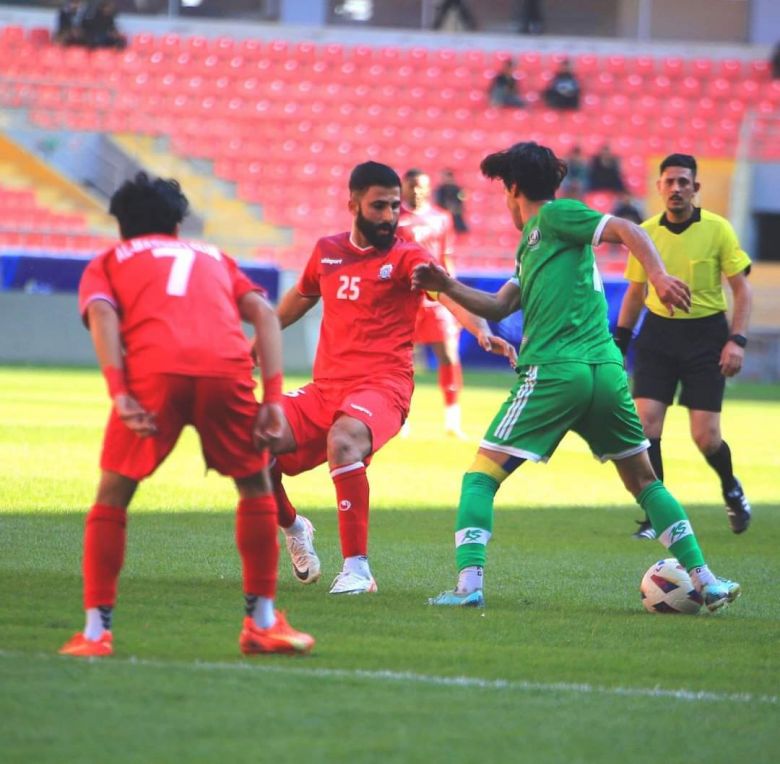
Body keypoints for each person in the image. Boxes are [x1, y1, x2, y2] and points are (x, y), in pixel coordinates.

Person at [412, 141, 741, 613]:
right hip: (604, 372)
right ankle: (705, 580)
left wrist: (658, 276)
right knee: (644, 482)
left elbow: (626, 228)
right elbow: (500, 306)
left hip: (555, 371)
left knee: (480, 478)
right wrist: (446, 285)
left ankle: (468, 586)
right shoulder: (535, 244)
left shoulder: (554, 215)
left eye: (504, 191)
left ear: (514, 189)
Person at [58, 172, 314, 658]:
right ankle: (262, 623)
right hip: (226, 370)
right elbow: (263, 313)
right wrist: (271, 399)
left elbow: (103, 314)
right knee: (255, 487)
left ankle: (95, 633)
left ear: (122, 227)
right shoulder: (213, 256)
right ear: (177, 225)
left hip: (156, 372)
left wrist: (120, 393)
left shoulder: (110, 260)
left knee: (113, 496)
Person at [270, 161, 516, 596]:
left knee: (344, 439)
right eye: (379, 206)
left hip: (383, 387)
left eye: (394, 206)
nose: (389, 216)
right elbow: (297, 301)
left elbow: (447, 294)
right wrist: (256, 340)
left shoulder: (407, 255)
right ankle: (294, 527)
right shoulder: (327, 251)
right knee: (250, 435)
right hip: (325, 389)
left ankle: (357, 570)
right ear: (353, 205)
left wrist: (480, 330)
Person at [614, 153, 753, 539]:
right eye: (670, 182)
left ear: (695, 188)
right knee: (646, 426)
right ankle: (655, 517)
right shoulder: (645, 232)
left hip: (706, 337)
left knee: (706, 437)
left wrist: (736, 340)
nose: (676, 188)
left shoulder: (718, 229)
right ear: (659, 187)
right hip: (658, 336)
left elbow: (742, 290)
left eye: (683, 182)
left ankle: (731, 488)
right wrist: (620, 341)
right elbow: (636, 292)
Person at [398, 168, 465, 438]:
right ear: (403, 187)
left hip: (437, 299)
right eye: (411, 185)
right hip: (405, 300)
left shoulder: (442, 218)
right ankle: (401, 418)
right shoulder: (394, 219)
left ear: (428, 188)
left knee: (449, 354)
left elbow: (447, 259)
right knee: (402, 360)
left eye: (421, 186)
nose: (416, 191)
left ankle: (452, 420)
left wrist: (456, 299)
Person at [435, 168, 469, 234]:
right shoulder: (440, 189)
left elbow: (461, 201)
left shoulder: (457, 189)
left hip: (455, 216)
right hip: (443, 216)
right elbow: (438, 203)